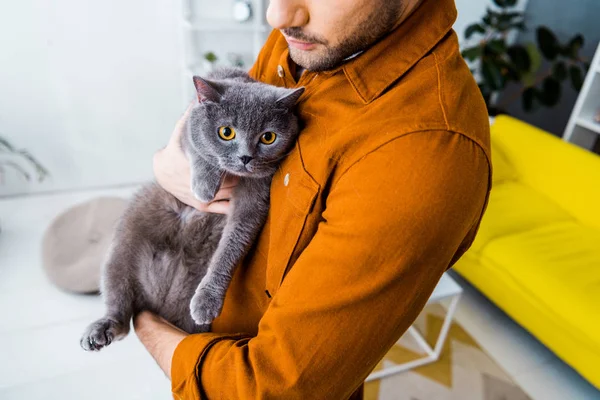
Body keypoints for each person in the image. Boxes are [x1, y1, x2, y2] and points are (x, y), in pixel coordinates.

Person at [134, 0, 492, 398]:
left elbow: (267, 389)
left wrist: (145, 319)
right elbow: (225, 112)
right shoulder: (308, 35)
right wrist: (168, 164)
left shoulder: (421, 155)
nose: (277, 16)